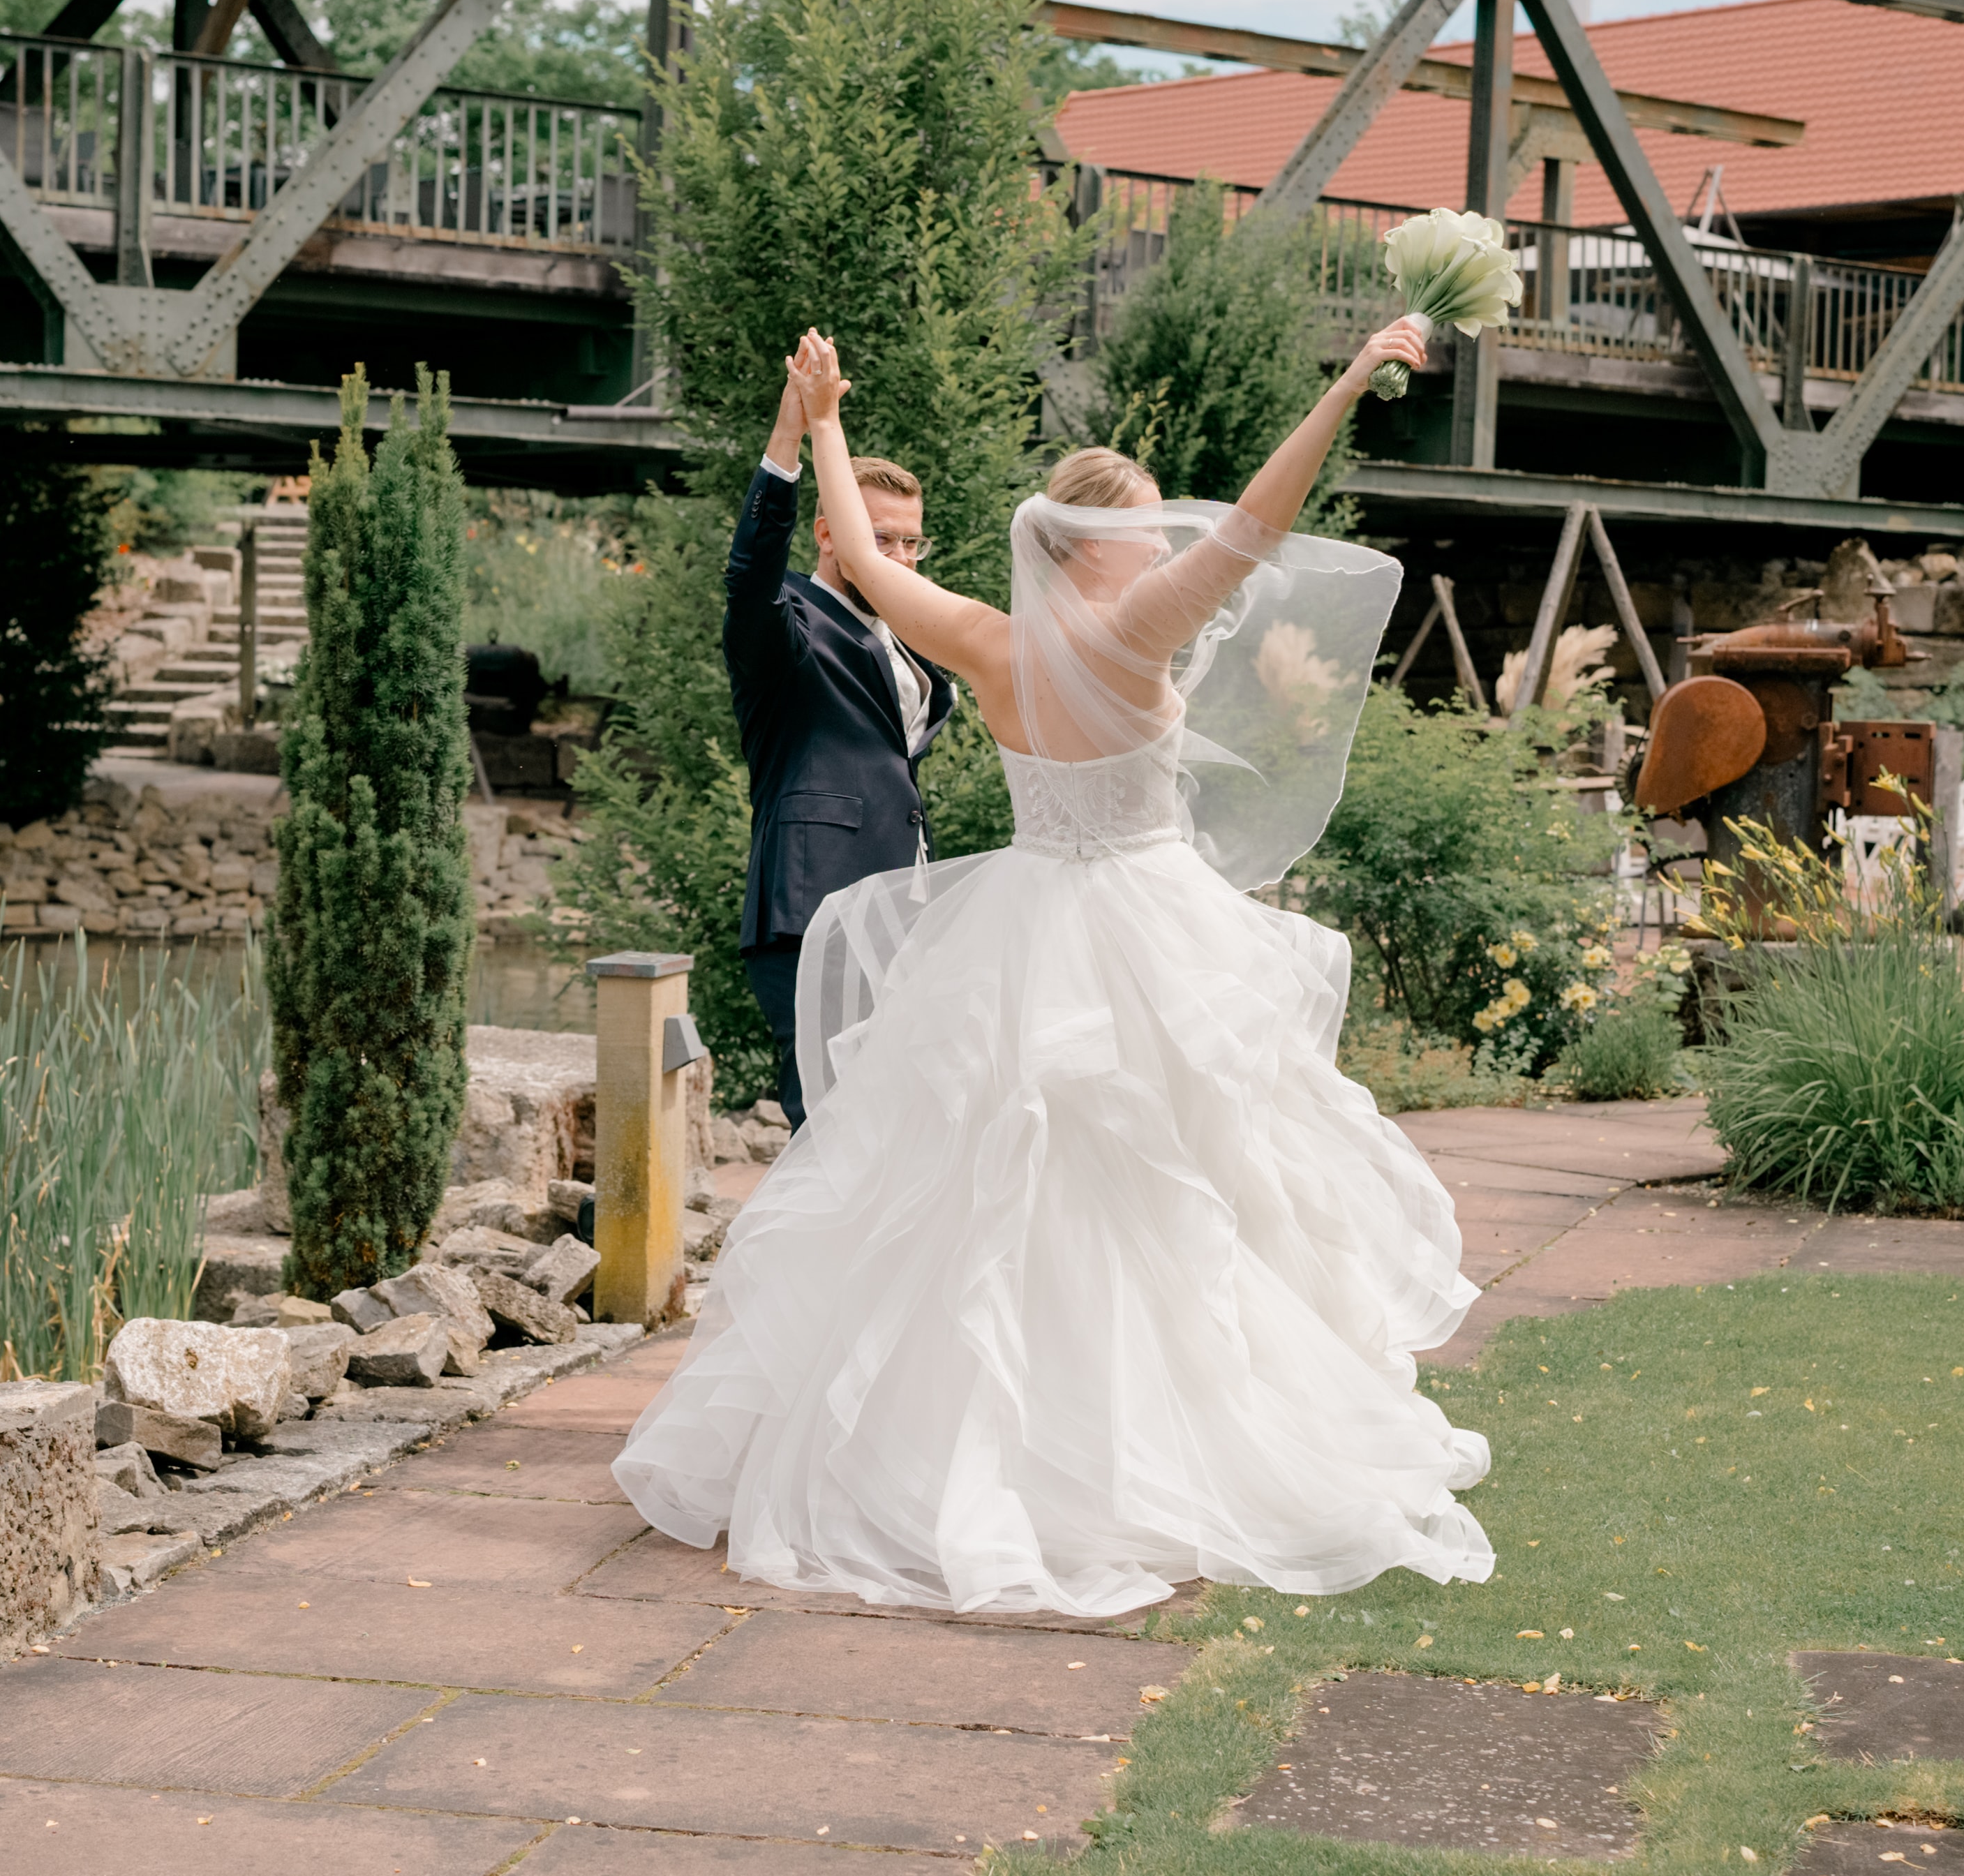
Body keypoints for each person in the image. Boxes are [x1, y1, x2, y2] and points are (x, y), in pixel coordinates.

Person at [616, 317, 1494, 1618]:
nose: (1164, 549)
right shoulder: (1138, 629)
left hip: (1025, 922)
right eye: (1144, 532)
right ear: (1100, 547)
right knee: (1180, 1181)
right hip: (1147, 928)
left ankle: (984, 1448)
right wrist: (1353, 382)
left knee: (996, 1195)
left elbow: (851, 555)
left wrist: (824, 415)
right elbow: (1259, 517)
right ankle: (1156, 1447)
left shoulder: (986, 637)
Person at [722, 356, 960, 1129]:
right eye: (880, 540)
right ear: (831, 533)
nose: (897, 558)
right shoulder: (783, 622)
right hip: (814, 912)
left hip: (901, 911)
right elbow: (750, 571)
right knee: (830, 1126)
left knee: (896, 1126)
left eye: (911, 545)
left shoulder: (913, 639)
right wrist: (792, 429)